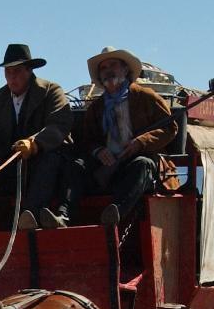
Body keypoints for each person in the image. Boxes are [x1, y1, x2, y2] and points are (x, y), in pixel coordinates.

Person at [40, 46, 173, 227]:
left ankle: (114, 214)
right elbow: (86, 140)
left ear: (125, 70)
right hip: (107, 167)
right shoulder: (97, 108)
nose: (108, 70)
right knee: (76, 166)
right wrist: (98, 151)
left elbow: (170, 127)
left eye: (113, 65)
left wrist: (141, 142)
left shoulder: (146, 97)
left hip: (136, 164)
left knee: (143, 164)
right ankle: (64, 216)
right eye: (103, 68)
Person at [0, 43, 72, 231]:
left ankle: (31, 216)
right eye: (8, 72)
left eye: (17, 71)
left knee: (50, 160)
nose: (11, 77)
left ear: (29, 71)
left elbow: (58, 125)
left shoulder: (51, 91)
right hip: (12, 165)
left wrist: (35, 143)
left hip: (45, 164)